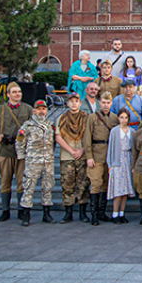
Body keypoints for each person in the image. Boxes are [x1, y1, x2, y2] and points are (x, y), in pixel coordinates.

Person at [0, 82, 33, 222]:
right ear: (8, 94)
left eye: (19, 92)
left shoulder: (27, 109)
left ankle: (21, 210)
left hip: (21, 151)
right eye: (14, 92)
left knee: (21, 181)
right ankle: (5, 210)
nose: (18, 94)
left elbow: (32, 127)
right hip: (5, 150)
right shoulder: (0, 110)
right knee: (5, 181)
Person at [14, 100, 55, 226]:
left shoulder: (50, 125)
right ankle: (26, 214)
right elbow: (20, 141)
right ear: (34, 111)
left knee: (47, 188)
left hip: (47, 161)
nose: (42, 111)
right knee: (29, 188)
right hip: (33, 161)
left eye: (44, 109)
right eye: (39, 109)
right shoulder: (28, 126)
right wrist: (23, 157)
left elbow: (53, 143)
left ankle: (46, 213)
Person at [84, 92, 120, 225]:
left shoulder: (114, 118)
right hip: (96, 153)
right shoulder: (92, 117)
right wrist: (89, 156)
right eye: (103, 102)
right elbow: (87, 137)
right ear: (99, 102)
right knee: (95, 183)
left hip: (109, 155)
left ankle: (101, 212)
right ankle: (93, 214)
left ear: (111, 103)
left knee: (105, 183)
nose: (106, 105)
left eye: (108, 102)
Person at [56, 93, 91, 224]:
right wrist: (71, 150)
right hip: (67, 156)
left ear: (80, 103)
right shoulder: (61, 118)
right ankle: (68, 213)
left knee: (83, 184)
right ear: (67, 103)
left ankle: (82, 212)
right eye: (71, 101)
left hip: (82, 155)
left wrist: (82, 150)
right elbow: (58, 136)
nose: (74, 103)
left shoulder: (86, 118)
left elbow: (89, 135)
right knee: (67, 184)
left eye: (76, 101)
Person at [106, 108, 136, 224]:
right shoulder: (114, 131)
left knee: (125, 189)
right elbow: (110, 148)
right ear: (118, 118)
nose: (124, 120)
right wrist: (110, 164)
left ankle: (122, 212)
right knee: (118, 190)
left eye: (126, 117)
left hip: (127, 159)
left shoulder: (132, 131)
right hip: (117, 160)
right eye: (121, 117)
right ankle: (115, 213)